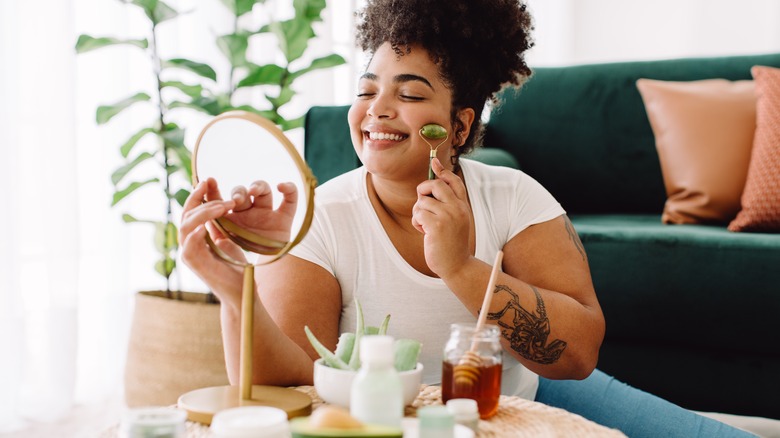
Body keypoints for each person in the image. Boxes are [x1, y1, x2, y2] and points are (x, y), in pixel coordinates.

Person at [179, 0, 755, 436]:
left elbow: (578, 357)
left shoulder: (513, 197)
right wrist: (236, 287)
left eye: (408, 94)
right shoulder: (324, 217)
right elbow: (293, 386)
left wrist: (459, 265)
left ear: (457, 126)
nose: (377, 108)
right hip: (390, 418)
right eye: (367, 89)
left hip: (528, 398)